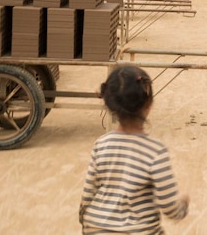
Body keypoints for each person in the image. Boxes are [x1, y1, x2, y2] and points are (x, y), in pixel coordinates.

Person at [80, 66, 189, 234]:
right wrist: (182, 207)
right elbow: (169, 207)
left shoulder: (101, 144)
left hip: (95, 227)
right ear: (149, 104)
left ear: (110, 104)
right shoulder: (155, 151)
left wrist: (84, 219)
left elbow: (88, 195)